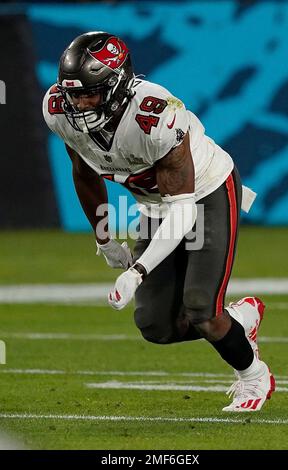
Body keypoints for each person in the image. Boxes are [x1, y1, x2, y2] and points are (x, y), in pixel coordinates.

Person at [43, 31, 275, 412]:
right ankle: (241, 317)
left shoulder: (157, 114)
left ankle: (254, 377)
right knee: (156, 326)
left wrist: (136, 271)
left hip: (203, 195)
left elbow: (183, 210)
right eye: (74, 94)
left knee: (202, 310)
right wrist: (104, 238)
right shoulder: (58, 110)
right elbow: (83, 173)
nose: (80, 104)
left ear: (118, 85)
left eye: (91, 93)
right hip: (154, 206)